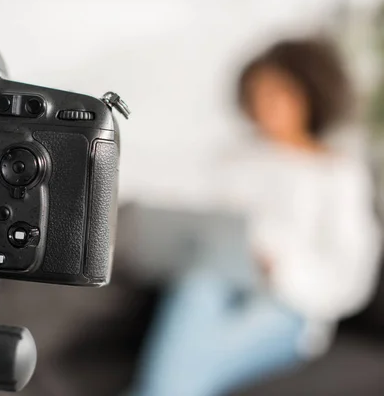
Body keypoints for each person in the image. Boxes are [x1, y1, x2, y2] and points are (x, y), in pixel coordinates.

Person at [128, 38, 382, 396]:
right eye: (257, 95)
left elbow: (350, 281)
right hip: (213, 282)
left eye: (277, 94)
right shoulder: (231, 159)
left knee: (180, 376)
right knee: (200, 285)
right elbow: (197, 222)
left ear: (309, 94)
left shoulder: (338, 173)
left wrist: (277, 266)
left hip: (289, 306)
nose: (265, 108)